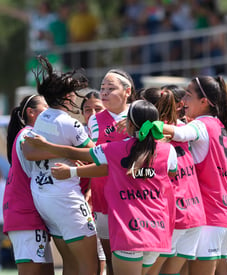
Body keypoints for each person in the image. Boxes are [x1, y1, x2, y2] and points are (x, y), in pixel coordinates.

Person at [25, 100, 178, 275]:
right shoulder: (169, 151)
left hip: (129, 231)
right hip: (157, 229)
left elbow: (73, 152)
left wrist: (46, 146)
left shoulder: (113, 149)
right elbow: (170, 175)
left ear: (129, 123)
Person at [22, 55, 98, 275]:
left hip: (43, 195)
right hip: (66, 198)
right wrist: (69, 153)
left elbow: (29, 151)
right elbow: (96, 155)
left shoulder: (42, 118)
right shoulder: (70, 122)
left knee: (71, 264)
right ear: (67, 96)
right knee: (88, 265)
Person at [161, 76, 227, 274]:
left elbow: (179, 134)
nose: (183, 101)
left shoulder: (202, 125)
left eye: (188, 95)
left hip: (211, 216)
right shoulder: (220, 126)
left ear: (204, 101)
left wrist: (142, 122)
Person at [142, 86, 206, 275]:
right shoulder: (182, 128)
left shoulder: (152, 134)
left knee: (148, 272)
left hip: (175, 214)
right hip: (195, 212)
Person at [87, 69, 135, 275]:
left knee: (132, 258)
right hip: (103, 197)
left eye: (110, 88)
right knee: (110, 260)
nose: (104, 93)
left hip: (133, 198)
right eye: (102, 88)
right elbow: (96, 155)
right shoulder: (95, 120)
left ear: (127, 91)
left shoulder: (140, 114)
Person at [3, 94, 54, 275]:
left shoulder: (27, 135)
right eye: (46, 108)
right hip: (25, 217)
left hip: (30, 216)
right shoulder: (29, 135)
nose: (51, 113)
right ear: (31, 113)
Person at [79, 90, 106, 275]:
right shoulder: (75, 134)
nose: (92, 114)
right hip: (79, 202)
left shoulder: (110, 133)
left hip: (103, 199)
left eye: (98, 108)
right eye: (88, 109)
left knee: (103, 253)